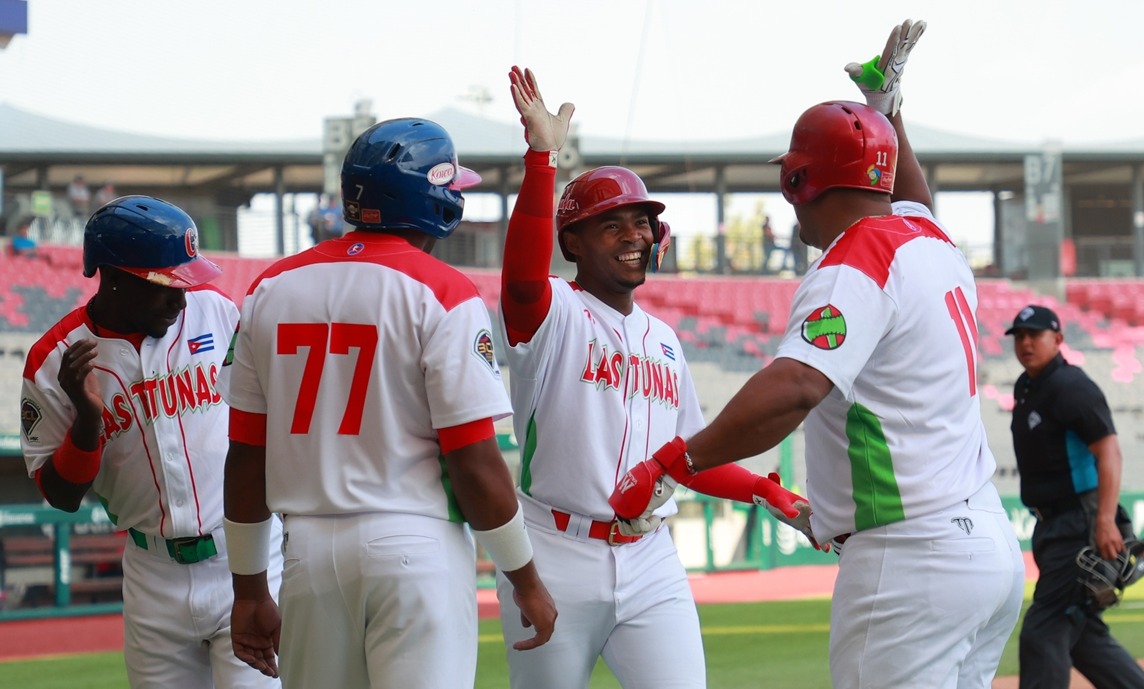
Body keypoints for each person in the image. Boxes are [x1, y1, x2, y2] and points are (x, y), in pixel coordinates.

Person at [610, 20, 1025, 689]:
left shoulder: (850, 263)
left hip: (908, 557)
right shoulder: (930, 238)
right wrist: (888, 111)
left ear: (801, 181)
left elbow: (796, 385)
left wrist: (672, 460)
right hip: (986, 547)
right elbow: (908, 192)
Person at [498, 66, 815, 689]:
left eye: (642, 223)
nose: (633, 236)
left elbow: (692, 456)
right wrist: (542, 159)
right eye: (612, 224)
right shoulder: (551, 312)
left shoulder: (664, 341)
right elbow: (520, 279)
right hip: (555, 552)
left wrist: (764, 489)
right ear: (573, 242)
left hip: (650, 561)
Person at [221, 117, 556, 689]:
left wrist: (249, 586)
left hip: (306, 551)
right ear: (432, 195)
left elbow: (246, 454)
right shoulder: (443, 290)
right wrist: (524, 575)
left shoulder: (269, 287)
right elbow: (473, 460)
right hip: (412, 542)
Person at [19, 195, 282, 689]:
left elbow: (264, 424)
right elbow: (61, 495)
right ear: (114, 277)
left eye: (186, 281)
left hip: (242, 560)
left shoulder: (217, 313)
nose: (181, 299)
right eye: (166, 285)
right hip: (151, 574)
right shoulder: (53, 359)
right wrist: (86, 422)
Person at [1006, 304, 1144, 688]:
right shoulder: (1027, 386)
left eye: (1035, 334)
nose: (1026, 342)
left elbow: (1110, 452)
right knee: (1083, 636)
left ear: (1058, 340)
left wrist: (1104, 520)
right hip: (1053, 525)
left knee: (1043, 629)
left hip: (1078, 522)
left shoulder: (1071, 386)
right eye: (1019, 335)